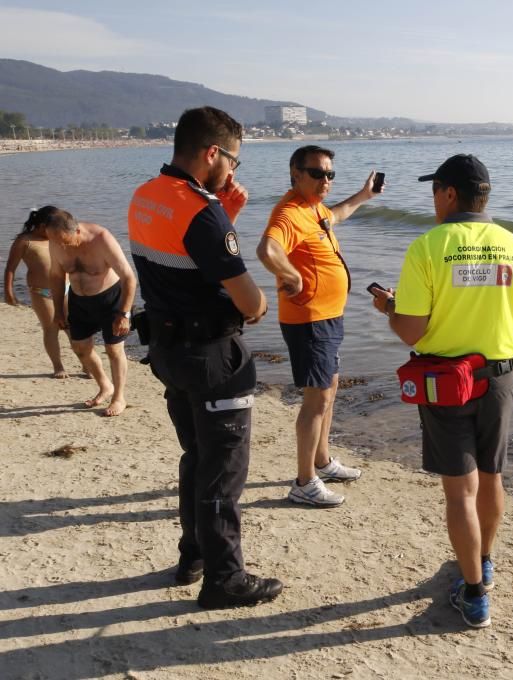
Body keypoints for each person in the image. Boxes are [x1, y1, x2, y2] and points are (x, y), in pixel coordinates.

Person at [370, 154, 513, 628]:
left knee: (460, 491)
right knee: (491, 477)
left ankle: (473, 593)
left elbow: (412, 330)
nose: (433, 200)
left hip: (445, 382)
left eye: (435, 191)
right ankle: (484, 561)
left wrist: (390, 308)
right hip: (498, 378)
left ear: (450, 194)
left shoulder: (429, 247)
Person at [127, 106, 282, 609]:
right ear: (212, 153)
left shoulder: (146, 196)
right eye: (233, 161)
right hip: (213, 355)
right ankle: (225, 579)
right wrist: (259, 301)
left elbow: (180, 261)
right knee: (223, 468)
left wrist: (222, 212)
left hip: (169, 350)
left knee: (197, 457)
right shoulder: (203, 211)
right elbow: (248, 300)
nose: (234, 172)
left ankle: (192, 555)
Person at [256, 145, 378, 507]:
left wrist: (363, 195)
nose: (325, 180)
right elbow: (267, 250)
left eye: (330, 174)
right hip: (309, 320)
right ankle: (304, 481)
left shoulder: (313, 208)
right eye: (317, 173)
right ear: (296, 174)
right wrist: (290, 273)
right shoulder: (290, 212)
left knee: (330, 386)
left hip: (329, 316)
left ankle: (322, 461)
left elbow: (335, 216)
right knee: (317, 398)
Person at [44, 207, 136, 416]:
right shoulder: (55, 241)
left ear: (77, 231)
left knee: (114, 350)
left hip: (110, 300)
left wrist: (124, 314)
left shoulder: (101, 238)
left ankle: (119, 396)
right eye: (54, 241)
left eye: (64, 241)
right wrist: (58, 310)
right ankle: (105, 385)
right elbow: (57, 277)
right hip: (79, 301)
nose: (60, 246)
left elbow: (129, 277)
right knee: (80, 348)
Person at [4, 208, 72, 378]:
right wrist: (8, 292)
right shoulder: (25, 241)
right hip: (41, 292)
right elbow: (10, 268)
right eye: (54, 227)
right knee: (51, 328)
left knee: (73, 328)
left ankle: (87, 365)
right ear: (42, 226)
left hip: (66, 289)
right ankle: (58, 366)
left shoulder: (57, 238)